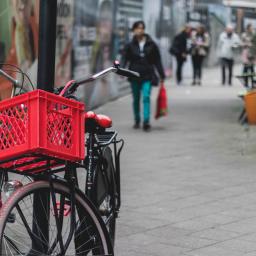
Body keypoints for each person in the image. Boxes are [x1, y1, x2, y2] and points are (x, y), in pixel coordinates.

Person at [122, 20, 165, 131]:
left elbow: (157, 60)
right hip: (134, 74)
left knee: (146, 97)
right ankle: (137, 120)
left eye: (141, 28)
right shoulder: (130, 45)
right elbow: (124, 58)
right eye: (137, 28)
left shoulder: (151, 44)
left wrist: (161, 75)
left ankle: (146, 121)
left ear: (144, 30)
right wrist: (121, 70)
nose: (139, 30)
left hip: (148, 75)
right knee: (136, 99)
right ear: (133, 30)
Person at [241, 23, 255, 88]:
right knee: (245, 68)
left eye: (252, 27)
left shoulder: (254, 34)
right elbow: (242, 43)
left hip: (252, 52)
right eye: (251, 27)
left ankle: (253, 83)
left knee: (252, 69)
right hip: (246, 53)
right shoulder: (244, 35)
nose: (252, 29)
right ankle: (245, 82)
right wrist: (246, 43)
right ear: (248, 28)